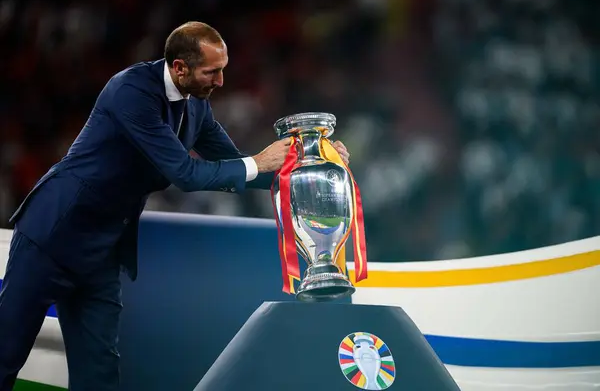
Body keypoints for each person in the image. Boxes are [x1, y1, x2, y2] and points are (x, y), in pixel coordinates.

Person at [0, 21, 350, 390]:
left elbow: (235, 167)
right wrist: (258, 162)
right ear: (179, 68)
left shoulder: (196, 107)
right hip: (53, 235)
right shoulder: (130, 92)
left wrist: (312, 160)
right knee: (6, 352)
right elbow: (186, 173)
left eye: (222, 70)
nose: (220, 82)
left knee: (98, 371)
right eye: (211, 72)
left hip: (102, 252)